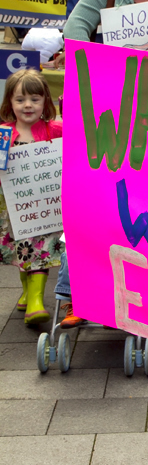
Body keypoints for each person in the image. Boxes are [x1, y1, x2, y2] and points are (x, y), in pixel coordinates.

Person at [0, 69, 63, 325]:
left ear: (45, 102)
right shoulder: (4, 134)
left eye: (35, 99)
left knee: (41, 250)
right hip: (14, 208)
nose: (28, 105)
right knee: (22, 251)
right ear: (9, 103)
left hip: (46, 208)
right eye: (20, 100)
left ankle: (36, 300)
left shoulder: (56, 129)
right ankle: (26, 292)